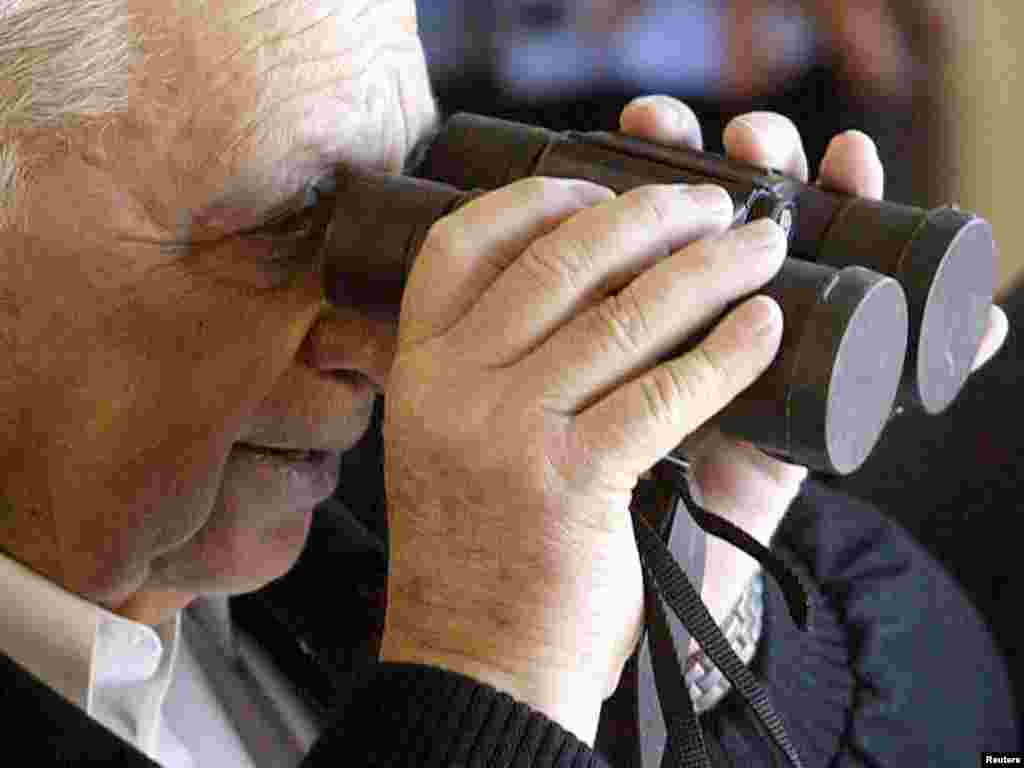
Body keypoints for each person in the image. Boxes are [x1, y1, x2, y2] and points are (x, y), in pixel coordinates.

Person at [0, 1, 1017, 766]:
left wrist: (688, 603)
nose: (392, 344)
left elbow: (965, 724)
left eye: (417, 198)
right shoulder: (443, 569)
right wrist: (484, 672)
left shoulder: (404, 524)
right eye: (284, 225)